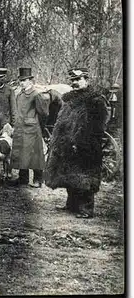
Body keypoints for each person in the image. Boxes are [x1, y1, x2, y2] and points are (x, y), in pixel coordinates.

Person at [45, 67, 109, 218]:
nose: (75, 83)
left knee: (85, 176)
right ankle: (71, 205)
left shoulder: (96, 100)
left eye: (78, 80)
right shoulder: (69, 99)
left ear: (86, 80)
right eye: (73, 80)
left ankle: (86, 209)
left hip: (86, 146)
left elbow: (98, 126)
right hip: (67, 144)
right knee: (69, 174)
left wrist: (82, 142)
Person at [10, 68, 47, 188]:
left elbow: (44, 113)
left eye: (24, 80)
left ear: (30, 81)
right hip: (20, 128)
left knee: (35, 154)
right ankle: (23, 179)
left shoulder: (36, 94)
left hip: (32, 129)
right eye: (20, 80)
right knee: (22, 154)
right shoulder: (20, 94)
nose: (22, 83)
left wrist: (36, 125)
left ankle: (38, 179)